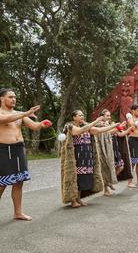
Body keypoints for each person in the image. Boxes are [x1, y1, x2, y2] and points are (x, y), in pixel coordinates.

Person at [0, 88, 51, 221]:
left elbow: (33, 126)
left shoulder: (19, 114)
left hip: (19, 149)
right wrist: (26, 113)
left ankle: (18, 213)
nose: (14, 99)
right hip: (4, 150)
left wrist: (42, 124)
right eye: (10, 97)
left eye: (15, 97)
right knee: (2, 183)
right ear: (1, 99)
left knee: (19, 181)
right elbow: (5, 119)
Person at [60, 110, 119, 207]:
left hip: (86, 157)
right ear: (74, 117)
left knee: (83, 178)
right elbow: (79, 131)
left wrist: (114, 125)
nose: (82, 117)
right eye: (80, 115)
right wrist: (96, 121)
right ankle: (73, 200)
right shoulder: (70, 126)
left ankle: (79, 198)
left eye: (83, 115)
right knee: (75, 177)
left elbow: (99, 130)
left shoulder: (87, 127)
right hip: (76, 157)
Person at [97, 109, 131, 196]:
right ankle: (106, 189)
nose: (109, 117)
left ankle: (109, 182)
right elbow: (107, 132)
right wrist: (117, 127)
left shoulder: (111, 124)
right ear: (102, 117)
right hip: (106, 149)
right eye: (107, 116)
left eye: (109, 115)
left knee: (120, 166)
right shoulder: (100, 125)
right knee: (106, 169)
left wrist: (129, 128)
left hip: (114, 149)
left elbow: (120, 134)